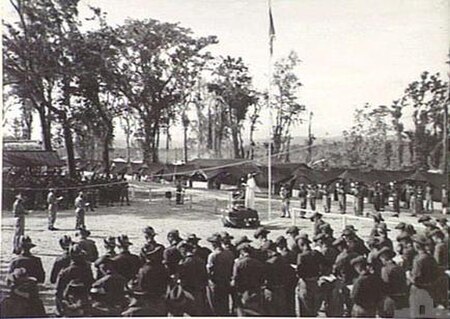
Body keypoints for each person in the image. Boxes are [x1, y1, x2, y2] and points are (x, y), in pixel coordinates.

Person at [56, 244, 94, 316]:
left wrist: (59, 310)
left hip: (69, 301)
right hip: (84, 301)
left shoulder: (65, 271)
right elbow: (91, 284)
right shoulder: (87, 270)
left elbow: (58, 291)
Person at [231, 242, 266, 316]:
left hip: (242, 292)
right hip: (256, 291)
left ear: (242, 252)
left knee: (243, 313)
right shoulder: (258, 263)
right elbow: (262, 279)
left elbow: (235, 279)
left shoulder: (238, 263)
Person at [177, 240, 209, 315]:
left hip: (188, 291)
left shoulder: (184, 263)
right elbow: (205, 276)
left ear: (183, 250)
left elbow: (181, 277)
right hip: (199, 291)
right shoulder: (201, 260)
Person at [206, 233, 235, 316]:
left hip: (216, 284)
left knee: (215, 307)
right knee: (225, 305)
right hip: (226, 282)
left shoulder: (213, 256)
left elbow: (209, 271)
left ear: (214, 244)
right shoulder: (230, 253)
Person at [296, 235, 325, 317]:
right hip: (316, 282)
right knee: (314, 308)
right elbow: (326, 264)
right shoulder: (316, 253)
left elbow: (299, 272)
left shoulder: (301, 256)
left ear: (301, 245)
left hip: (306, 284)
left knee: (305, 309)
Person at [408, 234, 439, 306]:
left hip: (419, 290)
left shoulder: (418, 259)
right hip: (430, 289)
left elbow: (415, 279)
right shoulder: (431, 258)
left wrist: (408, 275)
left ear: (416, 245)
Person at [377, 247, 409, 317]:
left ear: (383, 257)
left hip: (392, 301)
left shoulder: (385, 269)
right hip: (403, 300)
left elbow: (385, 287)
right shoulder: (399, 268)